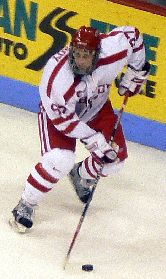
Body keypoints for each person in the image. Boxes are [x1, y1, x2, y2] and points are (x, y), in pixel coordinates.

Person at [9, 25, 150, 233]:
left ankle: (80, 174)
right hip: (60, 119)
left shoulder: (112, 51)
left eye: (87, 55)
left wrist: (137, 71)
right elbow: (65, 122)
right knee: (60, 159)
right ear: (71, 50)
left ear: (97, 54)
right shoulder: (57, 78)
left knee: (115, 161)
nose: (81, 60)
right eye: (77, 54)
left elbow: (133, 35)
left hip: (97, 109)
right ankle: (26, 204)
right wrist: (95, 141)